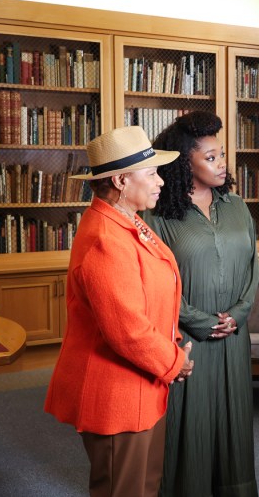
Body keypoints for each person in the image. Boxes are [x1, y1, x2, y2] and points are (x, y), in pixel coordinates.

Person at [44, 125, 194, 497]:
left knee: (143, 486)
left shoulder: (128, 221)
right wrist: (174, 361)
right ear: (122, 181)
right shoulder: (105, 239)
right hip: (116, 395)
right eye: (151, 173)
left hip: (142, 383)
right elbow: (126, 330)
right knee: (122, 490)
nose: (160, 182)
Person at [143, 111, 259, 497]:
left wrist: (238, 315)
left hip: (233, 335)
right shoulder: (160, 216)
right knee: (190, 424)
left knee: (234, 421)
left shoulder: (237, 206)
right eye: (210, 157)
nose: (221, 163)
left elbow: (253, 268)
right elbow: (157, 281)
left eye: (221, 154)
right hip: (187, 338)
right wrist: (198, 320)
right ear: (184, 162)